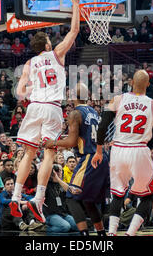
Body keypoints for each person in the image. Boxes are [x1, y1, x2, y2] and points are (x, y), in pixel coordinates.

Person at [10, 0, 81, 223]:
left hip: (33, 107)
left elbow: (20, 92)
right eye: (50, 41)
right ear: (48, 46)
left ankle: (15, 197)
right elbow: (74, 30)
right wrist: (75, 3)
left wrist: (33, 90)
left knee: (28, 153)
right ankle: (38, 199)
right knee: (49, 153)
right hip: (51, 107)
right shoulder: (57, 54)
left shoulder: (30, 63)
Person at [92, 70, 153, 236]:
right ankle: (130, 232)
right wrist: (151, 150)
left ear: (131, 83)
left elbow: (102, 126)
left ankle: (112, 233)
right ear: (148, 85)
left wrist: (99, 150)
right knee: (148, 195)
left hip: (119, 149)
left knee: (117, 194)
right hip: (139, 149)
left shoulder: (117, 99)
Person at [44, 83, 109, 236]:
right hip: (102, 158)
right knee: (88, 200)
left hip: (89, 158)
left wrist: (52, 143)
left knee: (72, 197)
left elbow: (72, 142)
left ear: (73, 94)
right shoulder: (94, 111)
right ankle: (101, 234)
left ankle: (84, 236)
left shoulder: (74, 113)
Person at [43, 164, 78, 234]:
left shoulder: (62, 184)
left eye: (60, 171)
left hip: (63, 214)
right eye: (56, 171)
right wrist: (49, 174)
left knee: (78, 226)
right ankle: (44, 229)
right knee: (66, 227)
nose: (59, 172)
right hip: (51, 215)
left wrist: (58, 179)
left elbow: (69, 190)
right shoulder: (46, 184)